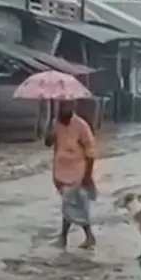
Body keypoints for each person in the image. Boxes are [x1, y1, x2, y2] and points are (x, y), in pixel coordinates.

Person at [47, 100, 97, 249]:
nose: (64, 110)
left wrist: (87, 175)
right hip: (61, 171)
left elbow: (91, 151)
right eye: (61, 107)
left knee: (73, 204)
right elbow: (48, 143)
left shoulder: (81, 125)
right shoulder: (56, 123)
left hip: (77, 170)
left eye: (67, 107)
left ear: (73, 107)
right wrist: (49, 127)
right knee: (69, 205)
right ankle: (84, 237)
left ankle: (67, 237)